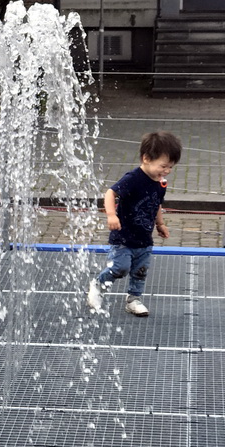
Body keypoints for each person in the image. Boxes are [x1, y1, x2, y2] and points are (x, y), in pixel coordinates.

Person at [87, 131, 182, 317]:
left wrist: (160, 224)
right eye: (163, 166)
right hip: (123, 237)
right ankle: (98, 284)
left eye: (170, 167)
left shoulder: (159, 183)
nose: (167, 171)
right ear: (146, 158)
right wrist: (111, 215)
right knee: (120, 268)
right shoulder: (133, 178)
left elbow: (156, 204)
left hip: (144, 239)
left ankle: (133, 299)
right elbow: (110, 193)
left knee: (140, 271)